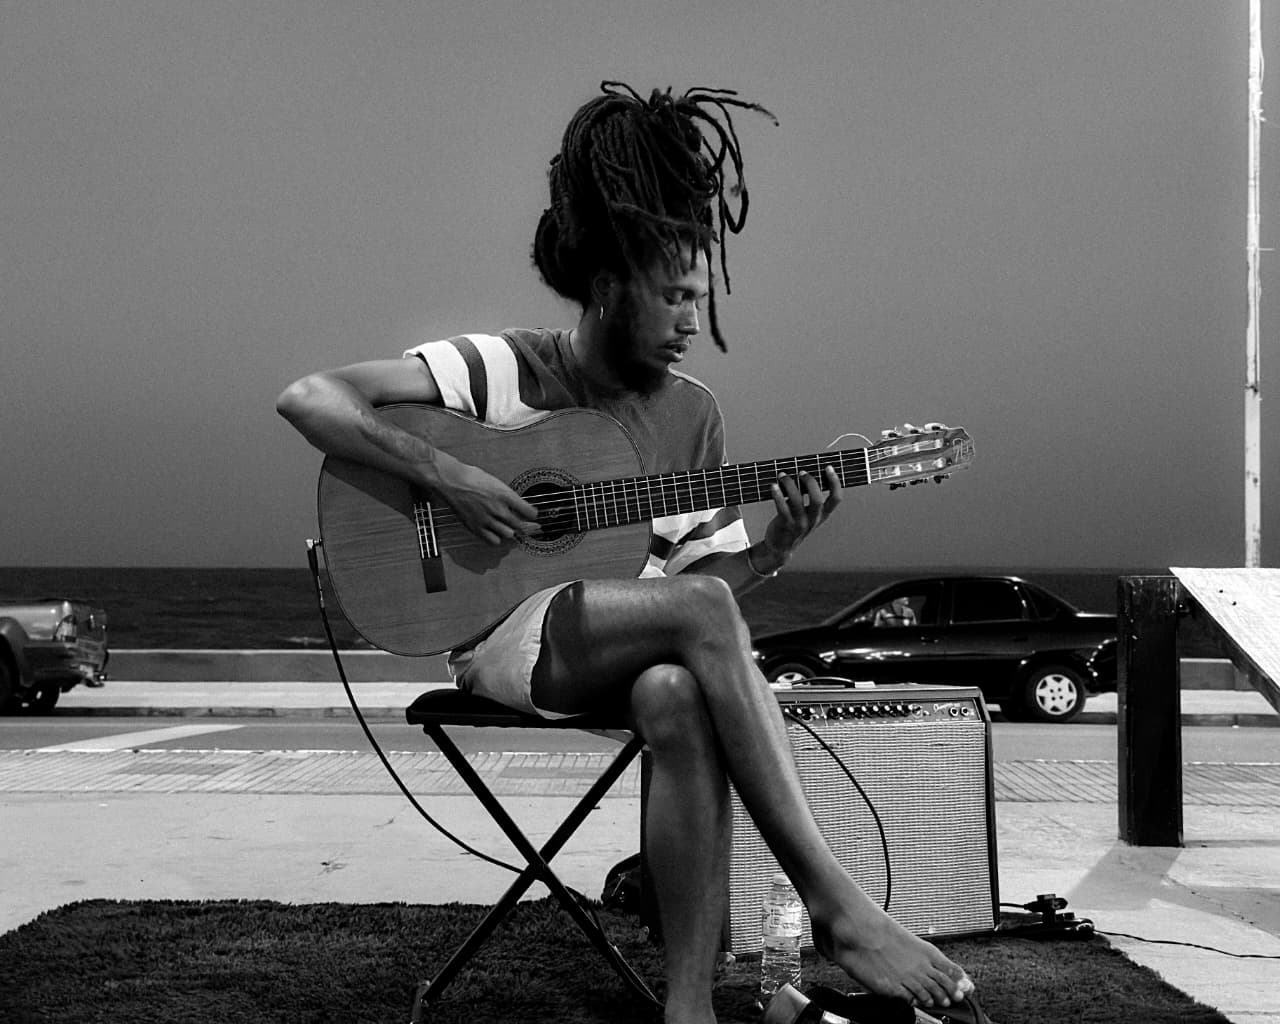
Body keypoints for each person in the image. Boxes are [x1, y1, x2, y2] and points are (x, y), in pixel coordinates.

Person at [277, 81, 972, 1024]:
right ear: (609, 288)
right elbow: (311, 398)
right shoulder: (505, 367)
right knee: (698, 622)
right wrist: (454, 476)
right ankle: (837, 906)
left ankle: (689, 1008)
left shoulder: (693, 416)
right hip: (493, 631)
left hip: (609, 638)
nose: (692, 320)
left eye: (700, 299)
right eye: (675, 297)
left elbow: (695, 592)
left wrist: (771, 550)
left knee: (675, 692)